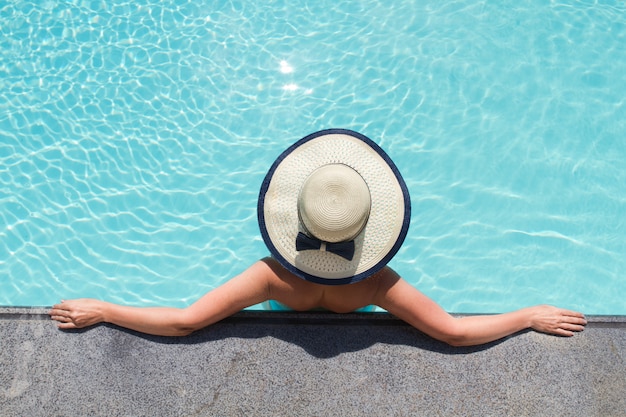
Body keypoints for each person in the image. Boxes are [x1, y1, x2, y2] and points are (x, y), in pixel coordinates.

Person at [49, 129, 586, 346]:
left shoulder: (273, 274)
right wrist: (526, 316)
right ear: (370, 226)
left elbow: (187, 321)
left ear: (296, 220)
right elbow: (452, 332)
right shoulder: (377, 282)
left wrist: (105, 308)